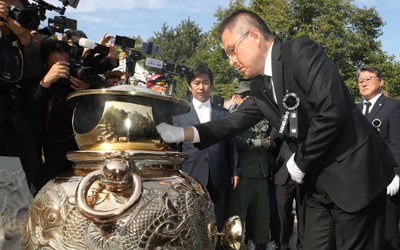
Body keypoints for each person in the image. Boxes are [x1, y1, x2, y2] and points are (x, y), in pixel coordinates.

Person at [157, 9, 395, 249]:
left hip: (355, 176)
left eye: (232, 50)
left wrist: (300, 162)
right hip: (317, 187)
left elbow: (332, 111)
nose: (231, 61)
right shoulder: (260, 85)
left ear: (253, 36)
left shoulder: (300, 52)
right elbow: (233, 122)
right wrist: (182, 133)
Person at [171, 64, 240, 235]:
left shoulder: (223, 113)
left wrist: (235, 171)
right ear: (189, 86)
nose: (201, 87)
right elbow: (175, 149)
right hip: (190, 175)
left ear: (211, 85)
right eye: (197, 83)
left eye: (206, 82)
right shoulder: (180, 115)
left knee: (217, 221)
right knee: (191, 221)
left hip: (219, 174)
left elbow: (231, 144)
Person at [33, 39, 90, 190]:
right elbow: (28, 109)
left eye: (65, 64)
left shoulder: (76, 81)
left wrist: (87, 91)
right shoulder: (40, 84)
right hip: (53, 154)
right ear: (45, 66)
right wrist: (46, 82)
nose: (62, 70)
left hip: (80, 152)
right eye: (56, 66)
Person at [0, 0, 43, 188]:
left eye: (15, 10)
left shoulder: (31, 40)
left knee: (27, 174)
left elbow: (34, 73)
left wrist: (24, 38)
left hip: (19, 120)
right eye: (7, 8)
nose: (11, 14)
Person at [357, 65, 400, 250]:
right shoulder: (355, 110)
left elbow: (397, 142)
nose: (364, 83)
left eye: (368, 79)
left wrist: (397, 173)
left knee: (388, 232)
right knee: (365, 231)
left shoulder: (393, 107)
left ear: (380, 81)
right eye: (360, 81)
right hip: (360, 180)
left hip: (386, 179)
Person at [228, 80, 275, 250]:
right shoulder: (235, 116)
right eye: (244, 96)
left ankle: (260, 243)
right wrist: (259, 143)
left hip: (261, 172)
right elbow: (236, 142)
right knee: (239, 215)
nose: (248, 99)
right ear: (237, 98)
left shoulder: (263, 114)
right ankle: (235, 244)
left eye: (250, 96)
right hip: (243, 173)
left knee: (262, 214)